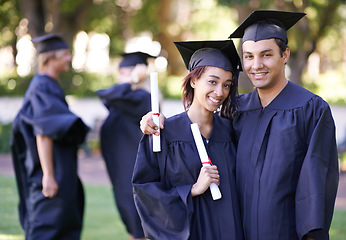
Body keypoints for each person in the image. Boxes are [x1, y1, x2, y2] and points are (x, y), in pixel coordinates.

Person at [140, 10, 339, 240]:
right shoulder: (237, 110)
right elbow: (201, 133)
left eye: (266, 55)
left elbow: (317, 182)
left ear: (285, 54)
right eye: (248, 56)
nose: (256, 65)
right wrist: (150, 123)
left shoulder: (311, 109)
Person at [132, 40, 243, 240]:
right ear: (193, 81)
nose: (220, 92)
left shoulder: (232, 131)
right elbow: (144, 190)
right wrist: (192, 190)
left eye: (227, 85)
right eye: (212, 81)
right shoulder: (163, 134)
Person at [10, 34, 89, 240]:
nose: (69, 58)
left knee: (61, 226)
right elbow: (43, 132)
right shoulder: (42, 87)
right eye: (64, 54)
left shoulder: (49, 85)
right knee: (47, 228)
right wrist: (49, 175)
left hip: (59, 170)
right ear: (49, 58)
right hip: (48, 173)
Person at [95, 52, 155, 240]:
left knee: (139, 224)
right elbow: (105, 96)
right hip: (120, 172)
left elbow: (108, 93)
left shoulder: (142, 98)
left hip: (133, 173)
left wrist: (134, 79)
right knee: (131, 221)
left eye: (125, 72)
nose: (120, 78)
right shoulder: (123, 100)